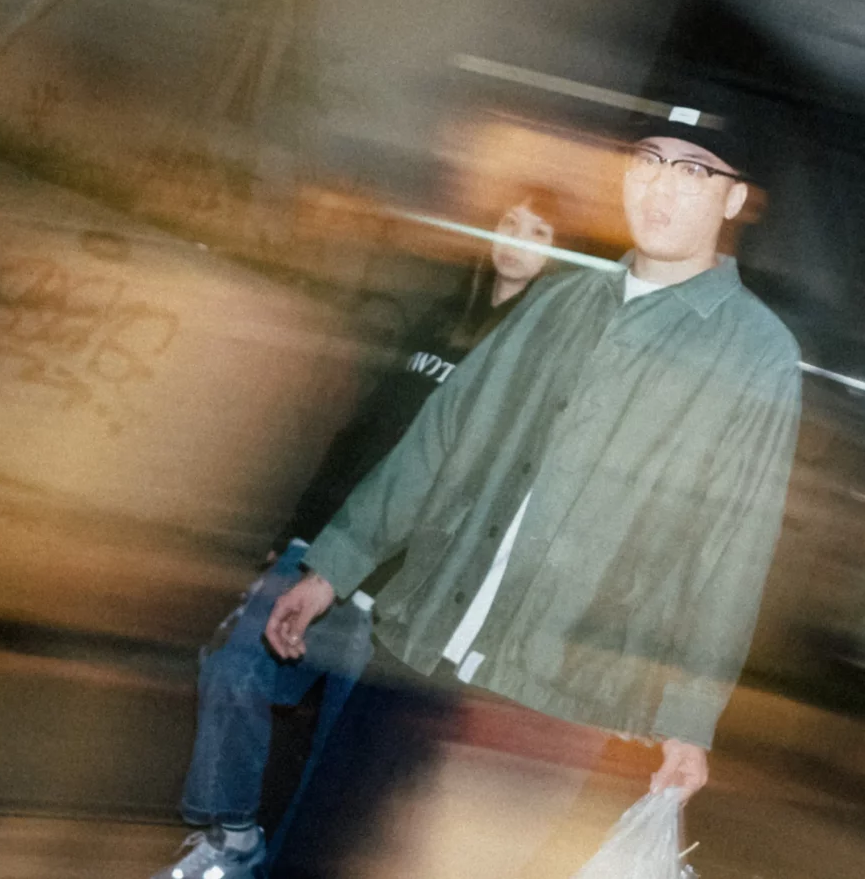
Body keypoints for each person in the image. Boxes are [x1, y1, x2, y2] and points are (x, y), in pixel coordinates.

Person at [264, 108, 802, 878]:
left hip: (555, 690)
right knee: (318, 854)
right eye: (648, 159)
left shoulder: (756, 354)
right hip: (418, 644)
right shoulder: (559, 304)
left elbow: (731, 553)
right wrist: (333, 567)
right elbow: (441, 441)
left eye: (692, 170)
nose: (660, 185)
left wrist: (688, 719)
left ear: (733, 198)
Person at [152, 193, 560, 879]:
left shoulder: (534, 354)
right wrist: (294, 533)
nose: (517, 240)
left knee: (332, 766)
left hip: (400, 588)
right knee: (233, 665)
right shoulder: (440, 319)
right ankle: (232, 838)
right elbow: (360, 435)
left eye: (539, 231)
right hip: (328, 547)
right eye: (509, 223)